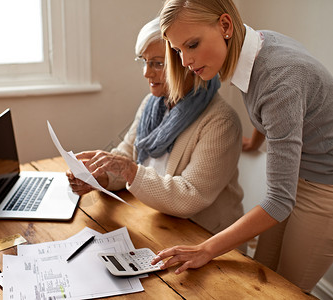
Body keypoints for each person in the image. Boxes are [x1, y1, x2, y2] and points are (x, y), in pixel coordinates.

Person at [151, 0, 333, 292]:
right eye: (177, 50)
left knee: (285, 291)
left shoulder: (278, 79)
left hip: (325, 186)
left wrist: (206, 249)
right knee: (263, 275)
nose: (185, 61)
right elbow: (276, 110)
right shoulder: (252, 47)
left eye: (192, 44)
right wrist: (256, 139)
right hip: (299, 171)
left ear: (224, 26)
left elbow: (278, 201)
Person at [67, 17, 244, 235]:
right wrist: (98, 178)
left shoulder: (221, 122)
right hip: (156, 222)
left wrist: (129, 170)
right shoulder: (153, 104)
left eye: (158, 63)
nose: (146, 73)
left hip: (203, 237)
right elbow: (128, 155)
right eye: (144, 61)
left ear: (187, 62)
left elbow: (190, 197)